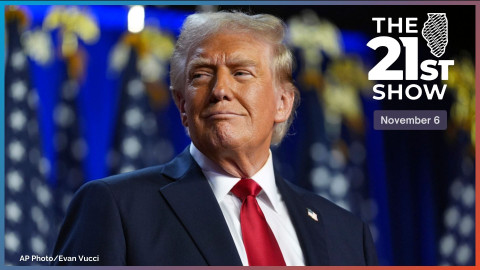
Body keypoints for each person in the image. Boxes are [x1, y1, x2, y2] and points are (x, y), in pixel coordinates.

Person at [52, 11, 378, 266]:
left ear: (283, 102)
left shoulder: (346, 233)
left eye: (241, 73)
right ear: (182, 105)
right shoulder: (115, 207)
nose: (220, 90)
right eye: (201, 75)